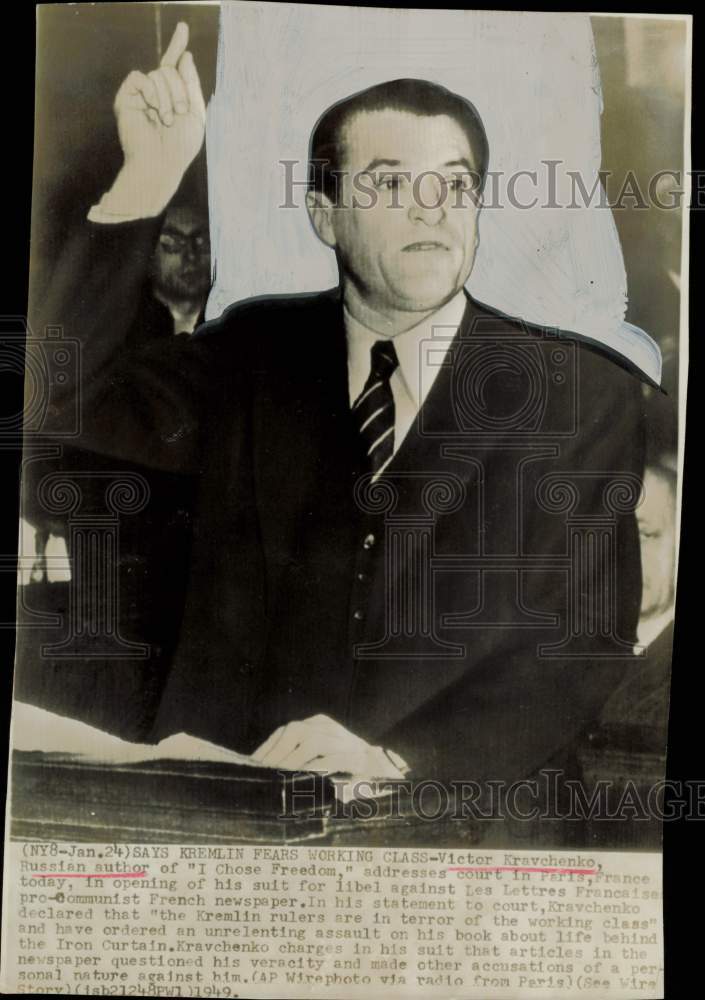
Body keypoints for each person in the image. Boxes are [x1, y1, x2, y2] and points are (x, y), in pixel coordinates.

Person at [34, 23, 647, 785]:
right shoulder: (253, 354)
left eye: (453, 184)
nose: (431, 210)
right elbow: (54, 399)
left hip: (459, 829)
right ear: (323, 215)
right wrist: (146, 183)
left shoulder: (582, 394)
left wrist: (399, 763)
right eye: (389, 183)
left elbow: (580, 649)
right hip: (240, 813)